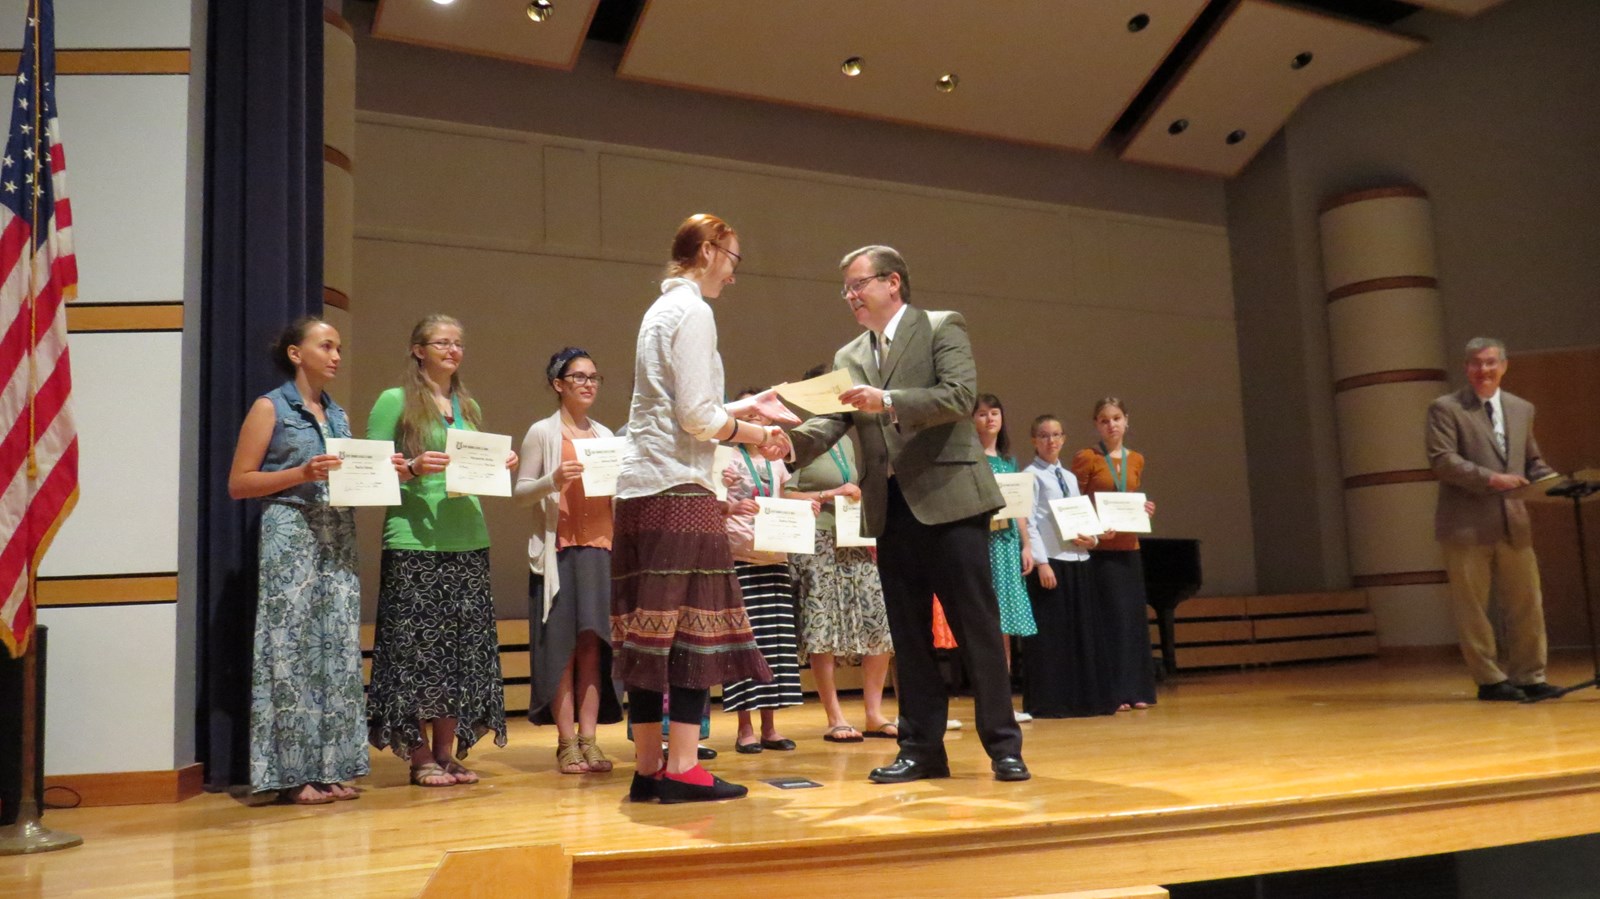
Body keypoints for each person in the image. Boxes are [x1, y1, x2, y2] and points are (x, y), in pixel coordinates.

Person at [787, 245, 1027, 784]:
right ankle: (921, 750)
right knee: (909, 639)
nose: (850, 296)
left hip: (951, 499)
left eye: (858, 284)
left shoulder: (941, 326)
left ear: (892, 282)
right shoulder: (849, 352)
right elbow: (832, 421)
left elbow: (959, 396)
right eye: (846, 289)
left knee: (977, 629)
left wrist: (889, 400)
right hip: (891, 506)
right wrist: (783, 445)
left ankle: (1004, 747)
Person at [611, 213, 796, 804]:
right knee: (695, 630)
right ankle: (685, 769)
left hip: (641, 490)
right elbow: (696, 418)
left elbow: (674, 406)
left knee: (649, 633)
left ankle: (649, 770)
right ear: (710, 250)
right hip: (680, 491)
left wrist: (744, 406)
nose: (734, 275)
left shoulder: (659, 310)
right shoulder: (694, 311)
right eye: (733, 259)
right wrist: (756, 434)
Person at [367, 314, 516, 787]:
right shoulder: (394, 401)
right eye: (442, 343)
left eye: (458, 343)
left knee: (458, 653)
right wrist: (411, 468)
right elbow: (367, 470)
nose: (453, 350)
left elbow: (472, 469)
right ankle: (418, 756)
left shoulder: (467, 405)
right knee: (413, 653)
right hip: (415, 539)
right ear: (418, 350)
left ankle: (446, 753)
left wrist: (500, 464)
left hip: (468, 536)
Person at [227, 318, 367, 805]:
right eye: (325, 346)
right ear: (295, 353)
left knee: (336, 648)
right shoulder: (270, 406)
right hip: (290, 532)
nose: (336, 356)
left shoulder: (338, 414)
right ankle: (292, 773)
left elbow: (347, 475)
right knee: (290, 649)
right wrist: (300, 473)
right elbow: (239, 483)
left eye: (339, 347)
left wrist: (383, 471)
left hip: (337, 533)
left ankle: (332, 768)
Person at [1426, 338, 1562, 702]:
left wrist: (1556, 482)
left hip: (1514, 522)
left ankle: (1530, 676)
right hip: (1465, 524)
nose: (1483, 370)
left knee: (1526, 602)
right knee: (1472, 608)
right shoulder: (1446, 408)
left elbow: (1531, 461)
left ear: (1504, 366)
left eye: (1490, 363)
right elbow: (1443, 460)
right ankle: (1489, 680)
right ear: (1466, 368)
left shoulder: (1521, 408)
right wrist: (1491, 479)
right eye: (1475, 363)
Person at [514, 347, 624, 774]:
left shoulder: (605, 436)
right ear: (558, 384)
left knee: (593, 645)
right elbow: (521, 493)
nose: (588, 384)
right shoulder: (542, 432)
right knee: (562, 648)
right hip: (558, 552)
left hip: (600, 549)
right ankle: (566, 742)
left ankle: (590, 739)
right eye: (579, 377)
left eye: (594, 377)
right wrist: (552, 479)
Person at [783, 365, 896, 743]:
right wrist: (827, 495)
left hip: (853, 539)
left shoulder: (847, 439)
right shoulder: (800, 438)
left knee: (878, 621)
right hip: (817, 540)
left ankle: (874, 713)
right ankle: (834, 716)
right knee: (823, 629)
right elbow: (781, 492)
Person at [720, 390, 814, 753]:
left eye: (759, 414)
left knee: (775, 644)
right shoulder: (727, 457)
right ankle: (744, 728)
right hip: (741, 557)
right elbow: (714, 498)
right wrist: (731, 504)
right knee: (746, 643)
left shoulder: (776, 462)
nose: (755, 419)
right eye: (749, 413)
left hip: (775, 557)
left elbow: (782, 498)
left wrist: (808, 505)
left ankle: (770, 727)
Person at [1021, 414, 1118, 718]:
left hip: (1078, 560)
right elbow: (1029, 522)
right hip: (1052, 562)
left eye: (1056, 435)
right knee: (1053, 636)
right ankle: (1053, 701)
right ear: (1034, 440)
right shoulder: (1030, 475)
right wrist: (1041, 562)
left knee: (1081, 632)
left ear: (1063, 439)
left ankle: (1085, 699)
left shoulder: (1070, 477)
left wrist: (1093, 538)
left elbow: (1079, 517)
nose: (1051, 441)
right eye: (1044, 435)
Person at [1071, 397, 1158, 711]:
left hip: (1129, 548)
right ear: (1096, 424)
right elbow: (1075, 502)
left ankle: (1137, 689)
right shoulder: (1087, 457)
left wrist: (1144, 508)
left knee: (1132, 621)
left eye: (1117, 418)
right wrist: (1094, 529)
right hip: (1101, 550)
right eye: (1105, 420)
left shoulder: (1136, 459)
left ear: (1126, 420)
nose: (1112, 425)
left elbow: (1129, 496)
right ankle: (1114, 692)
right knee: (1110, 621)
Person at [973, 393, 1037, 723]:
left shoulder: (1008, 461)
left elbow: (1019, 509)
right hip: (983, 544)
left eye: (994, 413)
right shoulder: (971, 459)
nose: (989, 419)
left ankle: (1004, 703)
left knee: (1006, 626)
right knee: (987, 623)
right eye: (982, 414)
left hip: (1008, 544)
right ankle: (989, 702)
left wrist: (1027, 545)